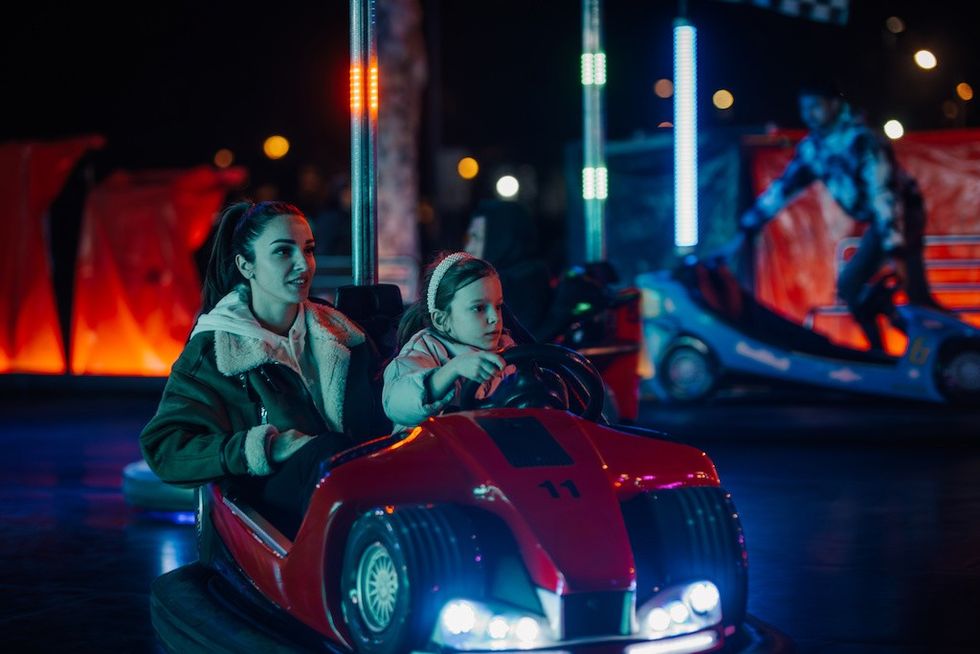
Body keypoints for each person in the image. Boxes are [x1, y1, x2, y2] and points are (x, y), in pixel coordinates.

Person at [140, 201, 387, 537]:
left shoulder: (342, 334)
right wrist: (260, 447)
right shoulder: (216, 349)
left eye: (309, 250)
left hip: (351, 487)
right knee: (329, 452)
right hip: (270, 506)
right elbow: (164, 447)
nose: (303, 264)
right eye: (283, 252)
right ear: (246, 265)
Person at [740, 79, 940, 351]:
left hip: (902, 215)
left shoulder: (862, 140)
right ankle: (884, 348)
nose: (809, 114)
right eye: (804, 108)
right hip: (882, 222)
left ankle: (947, 349)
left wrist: (896, 248)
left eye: (815, 107)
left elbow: (885, 194)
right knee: (854, 288)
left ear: (834, 105)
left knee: (905, 292)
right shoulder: (815, 149)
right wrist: (750, 223)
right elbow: (785, 187)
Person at [382, 252, 516, 433]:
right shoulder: (424, 350)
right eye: (479, 308)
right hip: (430, 454)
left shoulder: (508, 349)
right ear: (441, 320)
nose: (494, 318)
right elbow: (397, 404)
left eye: (498, 307)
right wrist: (452, 370)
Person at [464, 200, 607, 343]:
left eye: (476, 237)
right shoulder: (533, 272)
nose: (469, 247)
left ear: (499, 239)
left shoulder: (515, 281)